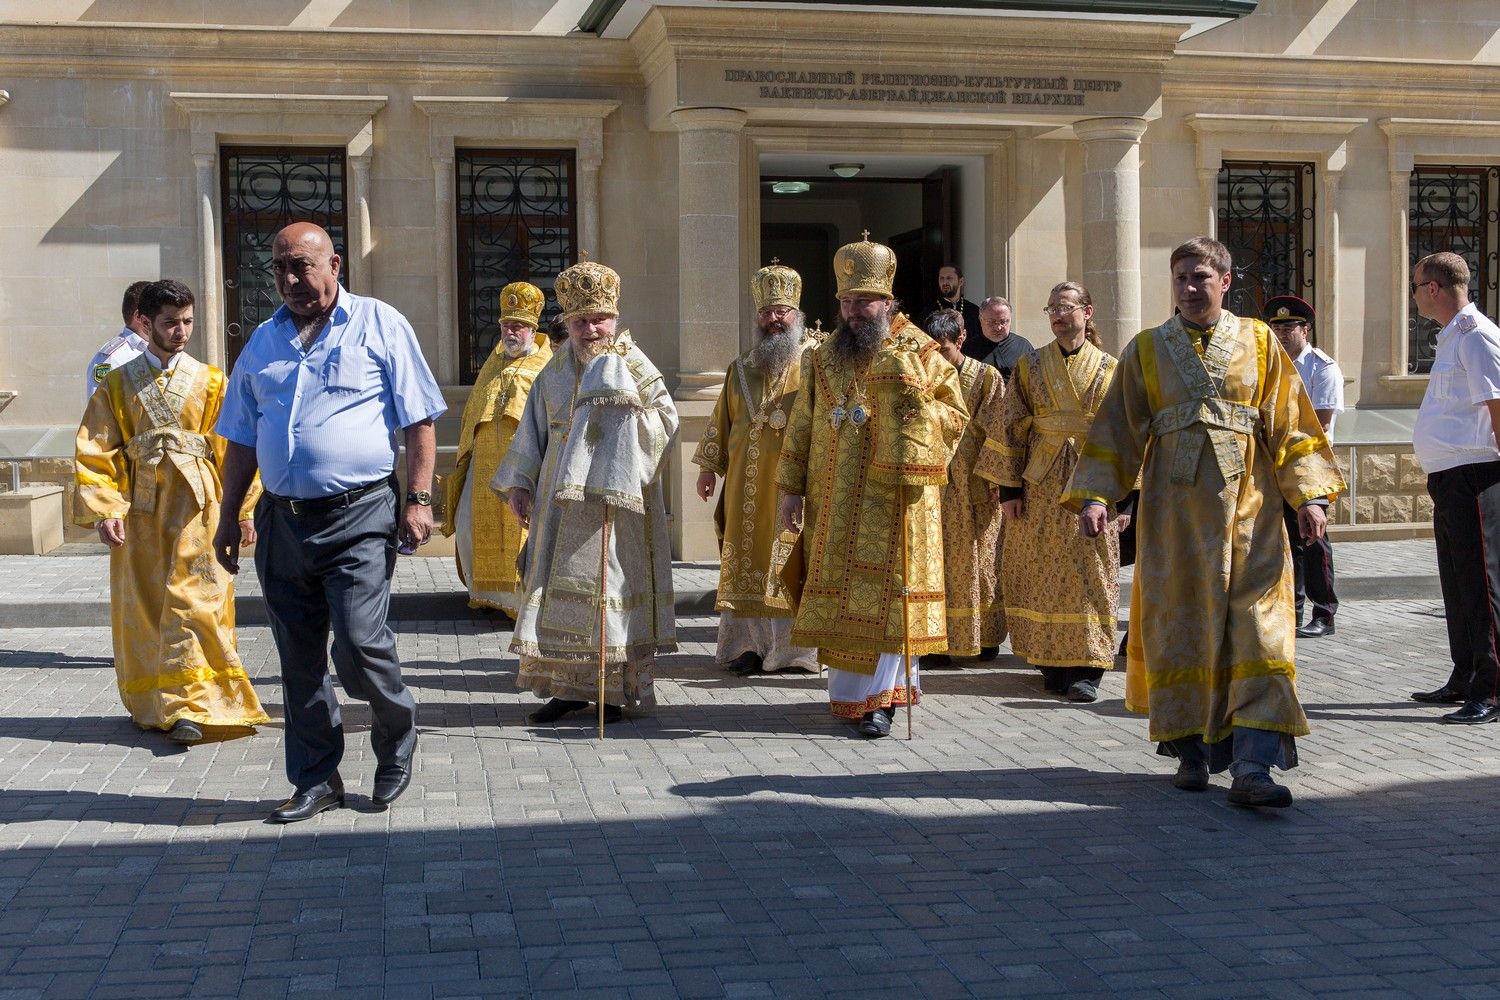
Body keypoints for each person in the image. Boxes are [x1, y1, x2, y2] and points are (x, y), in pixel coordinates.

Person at [1064, 236, 1344, 808]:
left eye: (1200, 278)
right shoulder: (1146, 349)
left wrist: (1310, 497)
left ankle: (1253, 766)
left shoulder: (1262, 343)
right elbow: (1117, 428)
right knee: (1182, 628)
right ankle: (1189, 752)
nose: (1190, 289)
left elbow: (1292, 424)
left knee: (1261, 630)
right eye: (1180, 279)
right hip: (1174, 521)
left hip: (1253, 516)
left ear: (1225, 279)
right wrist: (1098, 496)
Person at [213, 222, 446, 823]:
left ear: (335, 263)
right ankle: (317, 778)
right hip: (281, 521)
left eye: (303, 266)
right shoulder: (261, 343)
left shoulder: (379, 323)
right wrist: (228, 516)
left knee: (360, 640)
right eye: (280, 268)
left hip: (360, 514)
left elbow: (419, 420)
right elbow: (239, 438)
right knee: (298, 658)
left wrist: (419, 499)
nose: (291, 280)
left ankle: (396, 735)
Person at [775, 234, 968, 738]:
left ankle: (883, 701)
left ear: (887, 301)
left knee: (888, 598)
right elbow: (802, 422)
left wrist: (912, 412)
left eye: (863, 302)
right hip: (834, 498)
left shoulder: (920, 351)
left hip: (893, 498)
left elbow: (955, 415)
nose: (854, 311)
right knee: (841, 595)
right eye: (846, 301)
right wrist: (790, 489)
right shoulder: (822, 356)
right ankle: (848, 696)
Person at [74, 278, 269, 745]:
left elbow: (235, 447)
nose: (181, 331)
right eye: (170, 323)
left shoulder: (214, 380)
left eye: (187, 322)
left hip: (200, 508)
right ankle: (155, 702)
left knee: (196, 601)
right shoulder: (117, 384)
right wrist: (106, 509)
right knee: (147, 606)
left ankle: (195, 703)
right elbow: (96, 449)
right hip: (140, 512)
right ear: (146, 323)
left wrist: (243, 510)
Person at [493, 258, 678, 725]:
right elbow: (531, 433)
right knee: (558, 591)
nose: (590, 329)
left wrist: (625, 428)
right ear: (568, 324)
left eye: (599, 319)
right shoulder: (553, 370)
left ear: (614, 318)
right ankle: (566, 688)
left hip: (618, 508)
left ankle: (611, 691)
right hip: (559, 505)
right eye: (580, 321)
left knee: (609, 587)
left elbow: (667, 421)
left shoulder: (634, 364)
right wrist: (520, 483)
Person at [978, 281, 1123, 703]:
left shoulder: (1110, 368)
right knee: (1039, 568)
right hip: (1038, 483)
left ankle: (1089, 665)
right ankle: (1050, 660)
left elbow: (1123, 432)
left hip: (1091, 484)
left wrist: (1123, 497)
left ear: (1087, 312)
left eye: (1066, 307)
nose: (1058, 316)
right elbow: (1009, 423)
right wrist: (1008, 489)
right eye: (1052, 308)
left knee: (1090, 571)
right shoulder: (1031, 366)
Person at [693, 261, 819, 676]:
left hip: (793, 484)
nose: (773, 319)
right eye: (766, 312)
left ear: (796, 315)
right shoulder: (741, 366)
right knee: (745, 562)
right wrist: (709, 467)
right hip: (743, 485)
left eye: (781, 311)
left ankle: (792, 651)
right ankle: (745, 647)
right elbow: (720, 421)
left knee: (789, 561)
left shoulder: (817, 363)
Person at [1410, 251, 1500, 724]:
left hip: (1476, 475)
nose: (1414, 295)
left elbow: (1497, 405)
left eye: (1415, 285)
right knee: (1457, 582)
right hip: (1449, 477)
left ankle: (1492, 688)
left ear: (1433, 289)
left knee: (1482, 586)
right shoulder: (1450, 337)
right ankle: (1464, 675)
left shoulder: (1476, 335)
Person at [440, 282, 552, 615]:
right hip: (484, 466)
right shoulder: (492, 365)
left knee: (522, 531)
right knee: (473, 529)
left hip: (525, 466)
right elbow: (475, 412)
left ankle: (521, 604)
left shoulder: (546, 368)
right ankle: (487, 596)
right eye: (505, 325)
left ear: (533, 329)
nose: (510, 331)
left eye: (517, 326)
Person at [924, 308, 1005, 666]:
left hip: (976, 483)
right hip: (936, 481)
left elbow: (999, 431)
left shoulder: (986, 377)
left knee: (980, 562)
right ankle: (939, 640)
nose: (937, 357)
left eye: (943, 349)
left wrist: (993, 478)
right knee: (937, 562)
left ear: (960, 340)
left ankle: (983, 636)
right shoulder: (923, 376)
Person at [1264, 294, 1343, 639]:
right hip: (1275, 465)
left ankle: (1324, 613)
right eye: (1276, 327)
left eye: (1289, 327)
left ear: (1305, 330)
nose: (1281, 333)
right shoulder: (1269, 364)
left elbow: (1320, 423)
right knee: (1285, 542)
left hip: (1311, 464)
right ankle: (1292, 612)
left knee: (1313, 540)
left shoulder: (1322, 368)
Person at [84, 280, 151, 409]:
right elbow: (99, 414)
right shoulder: (112, 358)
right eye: (157, 312)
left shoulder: (157, 350)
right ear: (139, 317)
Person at [931, 264, 984, 360]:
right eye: (941, 278)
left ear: (961, 281)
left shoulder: (974, 311)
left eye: (949, 278)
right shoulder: (929, 312)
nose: (945, 282)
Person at [976, 296, 1030, 381]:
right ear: (980, 319)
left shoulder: (1023, 346)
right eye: (992, 322)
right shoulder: (968, 348)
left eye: (1003, 322)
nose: (998, 328)